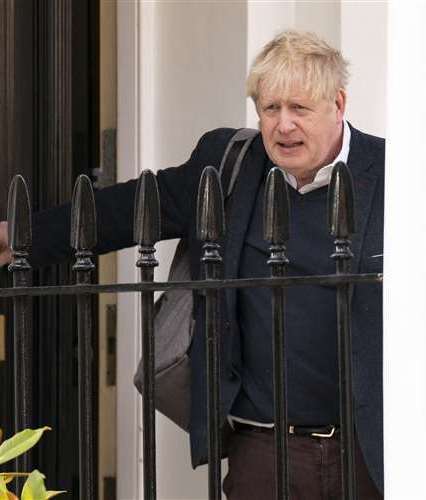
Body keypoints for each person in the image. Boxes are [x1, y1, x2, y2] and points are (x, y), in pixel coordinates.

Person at [0, 30, 384, 499]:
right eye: (270, 108)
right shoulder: (231, 166)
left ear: (338, 103)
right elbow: (130, 210)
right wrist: (19, 239)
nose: (283, 126)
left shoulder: (392, 174)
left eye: (299, 109)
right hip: (262, 447)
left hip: (370, 449)